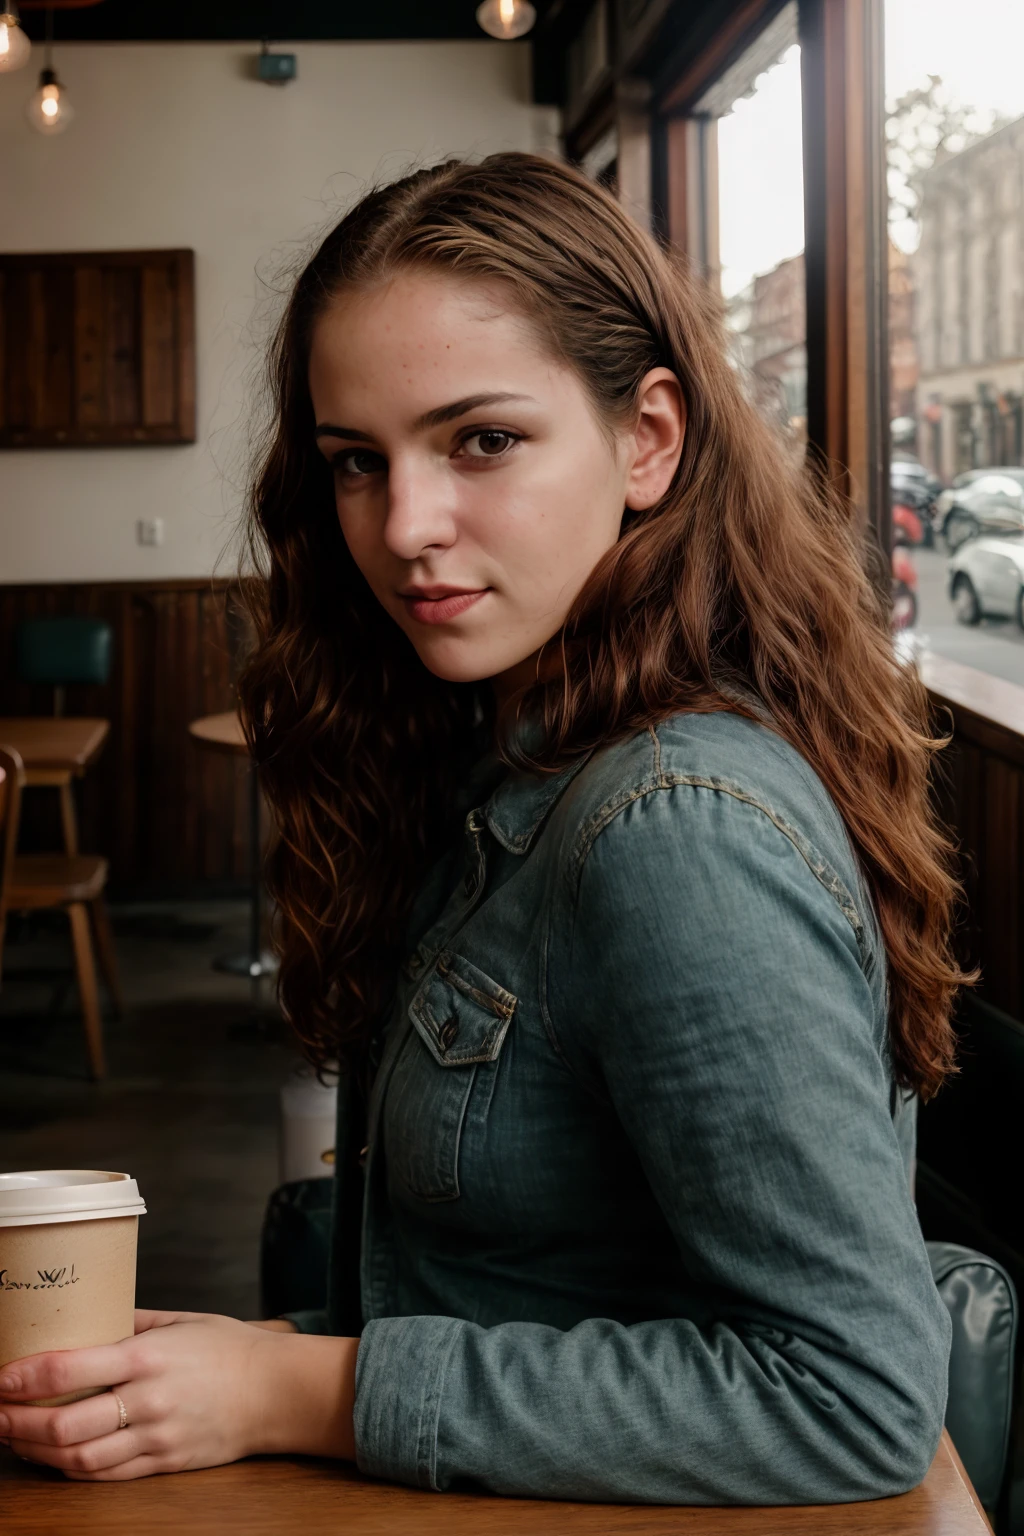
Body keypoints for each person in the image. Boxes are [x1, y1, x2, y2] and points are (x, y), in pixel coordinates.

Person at [0, 153, 963, 1501]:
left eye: (481, 441)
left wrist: (301, 1388)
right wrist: (237, 1366)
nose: (403, 527)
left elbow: (850, 1397)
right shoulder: (514, 749)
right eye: (355, 462)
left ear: (649, 439)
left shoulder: (671, 825)